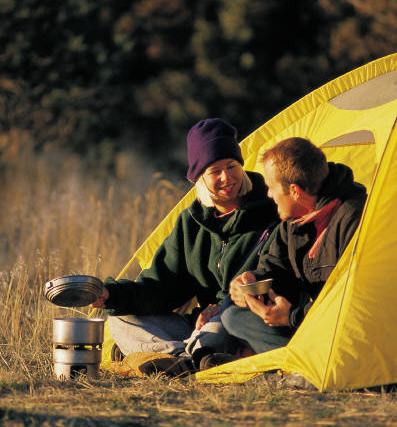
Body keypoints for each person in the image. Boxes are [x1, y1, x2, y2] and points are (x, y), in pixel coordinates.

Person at [92, 118, 279, 375]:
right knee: (120, 320)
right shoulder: (192, 222)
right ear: (200, 177)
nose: (227, 177)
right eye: (215, 171)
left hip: (244, 320)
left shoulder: (272, 209)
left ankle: (177, 357)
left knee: (218, 327)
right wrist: (112, 295)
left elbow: (276, 277)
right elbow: (161, 287)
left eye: (232, 166)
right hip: (200, 325)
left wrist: (221, 308)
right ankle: (187, 358)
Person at [223, 136, 367, 355]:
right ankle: (298, 361)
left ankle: (302, 364)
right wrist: (252, 283)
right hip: (307, 326)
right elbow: (276, 268)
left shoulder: (354, 219)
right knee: (232, 314)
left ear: (295, 191)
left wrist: (292, 316)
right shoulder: (292, 222)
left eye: (271, 187)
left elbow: (354, 304)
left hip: (346, 332)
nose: (269, 194)